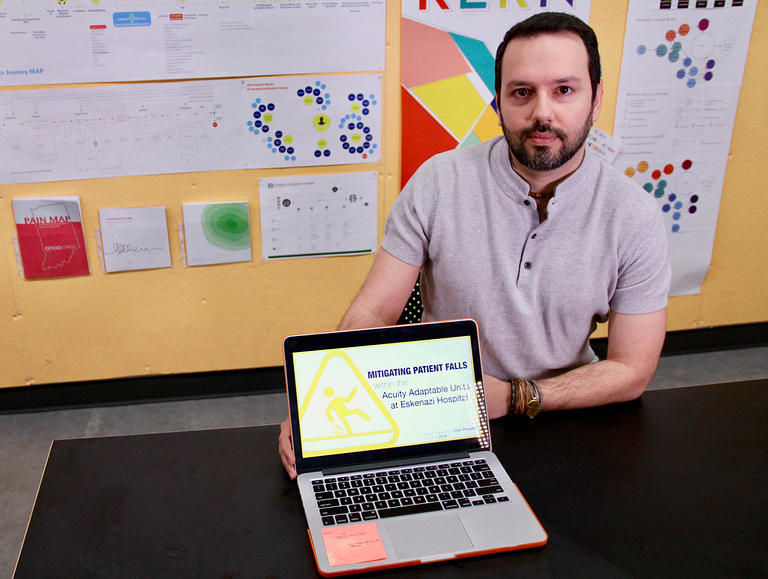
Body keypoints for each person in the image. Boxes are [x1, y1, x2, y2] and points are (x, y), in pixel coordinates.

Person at [279, 12, 671, 478]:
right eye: (522, 92)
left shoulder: (635, 217)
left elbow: (631, 369)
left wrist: (517, 396)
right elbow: (375, 310)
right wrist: (319, 403)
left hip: (565, 410)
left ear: (596, 97)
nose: (542, 112)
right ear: (498, 101)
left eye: (564, 90)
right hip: (434, 406)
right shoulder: (439, 180)